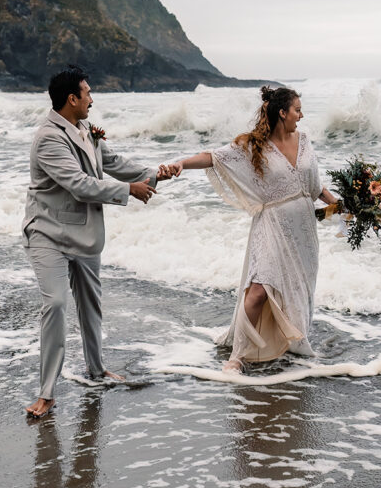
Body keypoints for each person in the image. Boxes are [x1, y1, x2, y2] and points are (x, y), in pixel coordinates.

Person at [22, 65, 176, 418]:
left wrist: (154, 174)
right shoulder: (48, 137)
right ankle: (47, 393)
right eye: (87, 93)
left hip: (85, 234)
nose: (92, 98)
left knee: (91, 305)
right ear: (71, 99)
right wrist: (128, 191)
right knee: (57, 304)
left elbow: (113, 163)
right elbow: (78, 184)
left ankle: (96, 370)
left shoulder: (86, 128)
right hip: (48, 233)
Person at [167, 86, 338, 372]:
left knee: (296, 290)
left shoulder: (305, 141)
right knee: (258, 289)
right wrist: (180, 163)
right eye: (297, 109)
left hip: (304, 230)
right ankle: (238, 355)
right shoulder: (254, 145)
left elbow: (315, 186)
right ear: (282, 113)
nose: (301, 114)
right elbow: (214, 157)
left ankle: (288, 343)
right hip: (271, 225)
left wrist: (343, 205)